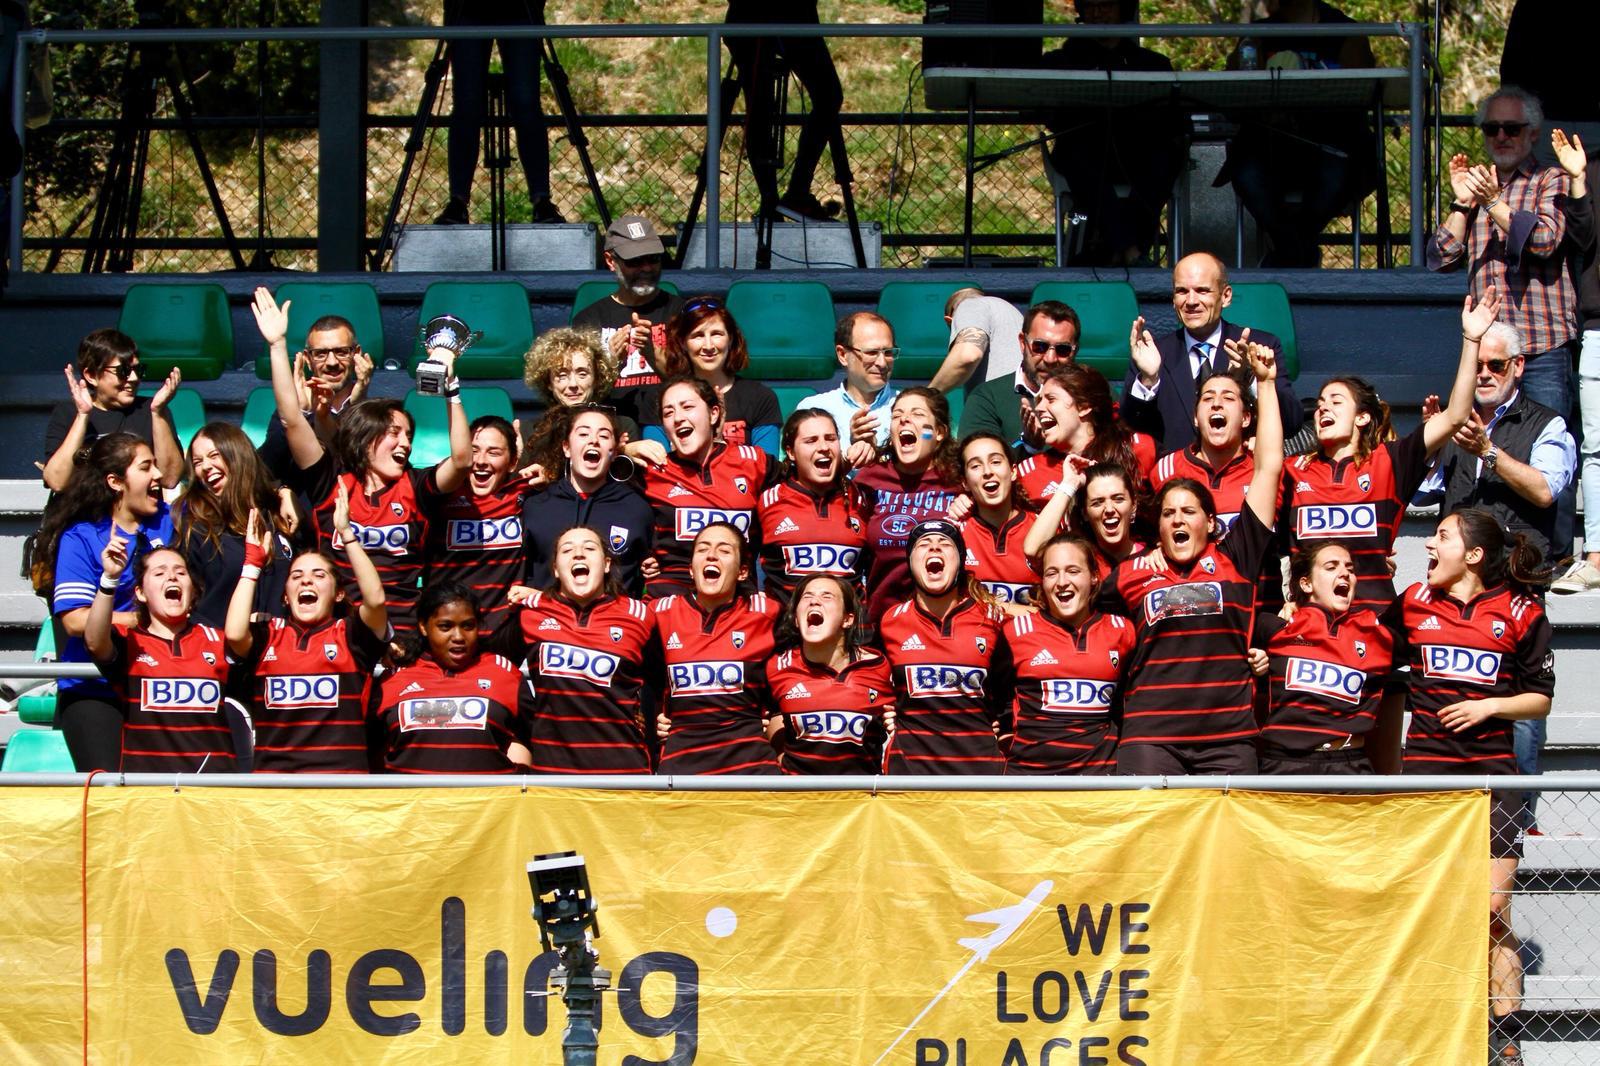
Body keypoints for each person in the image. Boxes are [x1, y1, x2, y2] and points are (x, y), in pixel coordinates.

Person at [1386, 508, 1555, 1066]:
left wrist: (1491, 706)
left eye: (1440, 537)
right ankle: (1428, 1023)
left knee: (1493, 908)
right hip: (1427, 778)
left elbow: (1540, 699)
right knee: (1423, 907)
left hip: (1494, 778)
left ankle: (1503, 1041)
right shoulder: (1412, 602)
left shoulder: (1522, 612)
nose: (1429, 547)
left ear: (1474, 555)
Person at [1104, 339, 1284, 775]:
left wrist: (1267, 383)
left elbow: (1269, 467)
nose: (1177, 520)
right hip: (1150, 737)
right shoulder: (1130, 575)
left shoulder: (1237, 557)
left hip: (1227, 738)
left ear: (1210, 521)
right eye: (1168, 514)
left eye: (1188, 512)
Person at [254, 286, 471, 633]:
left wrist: (452, 388)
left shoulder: (414, 485)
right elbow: (292, 419)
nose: (404, 443)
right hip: (340, 629)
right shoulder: (333, 483)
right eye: (392, 433)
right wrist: (277, 345)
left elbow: (461, 461)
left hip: (403, 628)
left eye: (408, 435)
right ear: (366, 439)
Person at [1287, 288, 1495, 614]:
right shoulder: (1293, 470)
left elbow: (1455, 415)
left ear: (1363, 417)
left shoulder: (1389, 461)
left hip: (1374, 623)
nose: (1323, 409)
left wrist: (1471, 340)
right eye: (1320, 404)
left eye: (1336, 402)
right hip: (1309, 627)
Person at [1429, 86, 1576, 426]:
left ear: (1533, 133)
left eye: (1512, 128)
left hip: (1541, 346)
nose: (1501, 136)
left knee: (1549, 448)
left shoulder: (1550, 179)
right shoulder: (1477, 186)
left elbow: (1544, 240)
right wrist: (1463, 202)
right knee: (1487, 450)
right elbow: (1441, 257)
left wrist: (1494, 204)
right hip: (1488, 353)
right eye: (1491, 128)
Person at [32, 433, 173, 771]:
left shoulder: (172, 522)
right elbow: (76, 621)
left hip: (161, 683)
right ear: (115, 481)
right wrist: (144, 620)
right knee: (109, 789)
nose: (157, 475)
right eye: (145, 467)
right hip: (94, 687)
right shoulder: (81, 536)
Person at [226, 490, 389, 773]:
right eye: (297, 576)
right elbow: (235, 634)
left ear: (338, 594)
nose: (306, 582)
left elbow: (375, 600)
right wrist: (252, 567)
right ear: (286, 596)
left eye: (319, 575)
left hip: (341, 784)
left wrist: (347, 536)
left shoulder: (351, 635)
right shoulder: (268, 634)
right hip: (275, 785)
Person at [1220, 0, 1377, 267]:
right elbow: (1236, 89)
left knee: (1337, 173)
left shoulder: (1346, 32)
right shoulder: (1258, 34)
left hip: (1330, 144)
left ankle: (1289, 249)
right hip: (1271, 145)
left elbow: (1361, 90)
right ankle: (1297, 249)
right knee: (1245, 170)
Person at [1416, 321, 1576, 567]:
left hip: (1514, 570)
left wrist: (1487, 451)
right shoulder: (1455, 421)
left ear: (1518, 365)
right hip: (1457, 571)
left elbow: (1544, 492)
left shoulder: (1547, 423)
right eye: (1476, 366)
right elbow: (1420, 497)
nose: (1484, 375)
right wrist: (1430, 444)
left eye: (1496, 365)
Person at [497, 525, 655, 774]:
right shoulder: (530, 612)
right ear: (556, 570)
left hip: (624, 772)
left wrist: (662, 716)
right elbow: (496, 671)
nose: (578, 554)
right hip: (552, 774)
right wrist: (523, 729)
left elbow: (664, 679)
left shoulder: (641, 615)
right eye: (567, 550)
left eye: (589, 548)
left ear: (606, 564)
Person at [1038, 0, 1183, 267]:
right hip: (1084, 154)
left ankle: (1118, 248)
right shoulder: (1059, 62)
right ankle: (1131, 250)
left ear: (1122, 11)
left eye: (1106, 5)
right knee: (1077, 153)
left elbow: (1172, 119)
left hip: (1136, 155)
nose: (1098, 12)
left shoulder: (1152, 64)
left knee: (1167, 157)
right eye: (1090, 6)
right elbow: (1048, 113)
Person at [1121, 252, 1303, 454]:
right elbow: (1128, 430)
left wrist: (1252, 378)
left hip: (1240, 479)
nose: (1191, 301)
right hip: (1173, 480)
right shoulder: (1153, 353)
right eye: (1182, 291)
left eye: (1202, 291)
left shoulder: (1260, 346)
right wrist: (1148, 380)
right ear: (1173, 299)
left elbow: (1291, 422)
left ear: (1225, 296)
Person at [84, 541, 234, 772]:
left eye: (180, 572)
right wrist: (109, 579)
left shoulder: (218, 641)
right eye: (160, 572)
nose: (172, 577)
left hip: (213, 786)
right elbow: (94, 641)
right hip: (147, 787)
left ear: (192, 589)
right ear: (141, 593)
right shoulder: (129, 642)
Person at [1248, 542, 1396, 774]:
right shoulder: (1275, 627)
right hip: (1283, 767)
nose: (1345, 573)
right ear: (1306, 583)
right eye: (1331, 567)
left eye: (1350, 568)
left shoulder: (1377, 633)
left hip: (1349, 767)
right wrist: (1255, 659)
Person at [1149, 367, 1287, 607]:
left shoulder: (1264, 472)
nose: (1216, 404)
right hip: (1195, 610)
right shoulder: (1165, 470)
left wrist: (1265, 382)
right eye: (1208, 397)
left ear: (1246, 418)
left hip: (1260, 609)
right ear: (1195, 417)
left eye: (1228, 398)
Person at [878, 519, 1007, 774]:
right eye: (924, 544)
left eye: (944, 544)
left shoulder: (993, 619)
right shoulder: (890, 621)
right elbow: (872, 687)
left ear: (960, 561)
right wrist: (885, 716)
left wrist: (1004, 727)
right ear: (910, 563)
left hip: (981, 774)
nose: (934, 548)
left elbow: (1012, 691)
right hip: (910, 775)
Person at [1000, 534, 1135, 775]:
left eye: (1073, 571)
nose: (1062, 582)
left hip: (1098, 784)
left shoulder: (1123, 631)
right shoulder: (1015, 633)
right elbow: (992, 697)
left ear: (1094, 577)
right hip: (1030, 784)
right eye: (1052, 573)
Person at [653, 523, 781, 774]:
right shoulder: (660, 613)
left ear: (743, 571)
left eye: (724, 550)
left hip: (751, 770)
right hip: (681, 770)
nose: (711, 555)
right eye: (702, 549)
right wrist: (655, 717)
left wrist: (780, 738)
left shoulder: (768, 613)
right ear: (691, 569)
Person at [372, 582, 531, 774]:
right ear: (423, 627)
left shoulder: (505, 673)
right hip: (411, 803)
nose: (458, 636)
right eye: (445, 626)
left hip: (489, 802)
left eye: (468, 626)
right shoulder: (394, 677)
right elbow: (372, 749)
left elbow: (533, 739)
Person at [641, 377, 772, 599]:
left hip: (738, 601)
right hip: (669, 599)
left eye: (688, 407)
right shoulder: (652, 470)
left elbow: (808, 482)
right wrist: (624, 449)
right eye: (668, 412)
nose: (678, 418)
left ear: (714, 414)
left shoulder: (753, 462)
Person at [433, 0, 561, 226]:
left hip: (518, 9)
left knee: (525, 103)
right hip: (470, 9)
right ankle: (458, 201)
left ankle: (541, 200)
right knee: (467, 105)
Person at [723, 0, 844, 222]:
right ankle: (780, 198)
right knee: (762, 107)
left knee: (825, 96)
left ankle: (786, 197)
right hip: (769, 19)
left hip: (787, 18)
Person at [765, 574, 894, 774]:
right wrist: (781, 753)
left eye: (827, 597)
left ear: (847, 619)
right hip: (799, 799)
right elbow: (768, 716)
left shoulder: (880, 667)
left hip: (862, 800)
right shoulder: (777, 667)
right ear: (797, 620)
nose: (814, 601)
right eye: (807, 597)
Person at [853, 388, 963, 620]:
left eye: (917, 414)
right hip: (880, 621)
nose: (904, 419)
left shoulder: (959, 482)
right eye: (896, 416)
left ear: (939, 432)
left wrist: (971, 502)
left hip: (944, 622)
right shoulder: (870, 479)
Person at [522, 405, 653, 597]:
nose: (593, 441)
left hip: (612, 624)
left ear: (615, 452)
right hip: (549, 622)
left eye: (604, 435)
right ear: (566, 448)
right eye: (583, 434)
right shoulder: (536, 506)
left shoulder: (637, 510)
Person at [174, 422, 297, 627]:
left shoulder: (277, 513)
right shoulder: (196, 528)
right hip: (221, 648)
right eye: (197, 462)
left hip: (281, 647)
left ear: (238, 455)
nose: (205, 467)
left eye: (214, 455)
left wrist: (284, 491)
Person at [424, 414, 532, 635]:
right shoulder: (437, 495)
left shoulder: (525, 493)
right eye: (474, 450)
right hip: (447, 631)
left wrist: (547, 475)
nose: (481, 460)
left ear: (512, 462)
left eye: (494, 452)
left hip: (503, 634)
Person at [40, 328, 183, 495]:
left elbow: (170, 479)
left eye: (138, 370)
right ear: (92, 375)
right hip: (86, 518)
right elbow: (57, 481)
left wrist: (158, 413)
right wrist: (83, 416)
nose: (134, 378)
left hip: (140, 518)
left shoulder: (152, 410)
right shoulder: (68, 413)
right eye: (123, 371)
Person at [571, 215, 685, 423]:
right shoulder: (589, 320)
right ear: (610, 261)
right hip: (610, 432)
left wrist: (655, 358)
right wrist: (610, 365)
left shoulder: (682, 312)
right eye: (634, 261)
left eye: (653, 259)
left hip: (672, 427)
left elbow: (697, 387)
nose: (646, 268)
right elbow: (578, 396)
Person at [757, 407, 874, 608]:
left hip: (850, 631)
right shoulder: (767, 499)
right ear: (791, 452)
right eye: (811, 441)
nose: (823, 447)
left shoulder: (862, 498)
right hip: (785, 631)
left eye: (830, 438)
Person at [642, 298, 781, 454]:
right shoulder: (659, 399)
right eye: (698, 336)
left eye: (716, 334)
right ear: (683, 343)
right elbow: (657, 469)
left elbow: (767, 468)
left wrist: (719, 448)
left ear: (731, 339)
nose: (708, 346)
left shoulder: (760, 398)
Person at [1554, 127, 1600, 592]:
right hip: (1598, 326)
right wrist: (1579, 180)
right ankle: (1597, 559)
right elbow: (1580, 241)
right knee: (1596, 451)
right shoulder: (1586, 167)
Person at [1015, 363, 1156, 508]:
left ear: (1083, 407)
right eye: (1039, 400)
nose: (1038, 408)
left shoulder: (1136, 447)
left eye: (1051, 399)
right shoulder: (1030, 472)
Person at [257, 313, 375, 483]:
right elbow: (267, 470)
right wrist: (300, 413)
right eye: (321, 354)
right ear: (307, 359)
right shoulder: (294, 410)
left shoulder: (375, 411)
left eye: (341, 352)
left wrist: (357, 406)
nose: (332, 362)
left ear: (356, 353)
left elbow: (362, 470)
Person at [519, 326, 645, 478]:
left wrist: (619, 454)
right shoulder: (530, 432)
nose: (573, 384)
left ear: (597, 378)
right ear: (549, 382)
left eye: (582, 373)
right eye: (562, 375)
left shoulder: (623, 426)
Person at [959, 300, 1080, 454]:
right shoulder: (987, 398)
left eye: (1062, 349)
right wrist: (1028, 447)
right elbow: (977, 465)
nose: (1050, 358)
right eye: (1040, 346)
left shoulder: (1094, 395)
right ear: (1023, 343)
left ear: (1075, 351)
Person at [1024, 461, 1149, 585]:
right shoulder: (1077, 558)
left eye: (1118, 499)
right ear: (1085, 513)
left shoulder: (1154, 559)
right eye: (1097, 502)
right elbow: (1033, 550)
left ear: (1133, 505)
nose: (1109, 509)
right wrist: (1069, 485)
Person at [954, 433, 1042, 606]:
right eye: (975, 466)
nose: (987, 472)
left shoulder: (1043, 527)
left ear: (1013, 471)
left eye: (995, 461)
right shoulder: (955, 534)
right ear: (964, 482)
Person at [796, 310, 899, 450]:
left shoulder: (908, 409)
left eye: (888, 352)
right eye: (871, 353)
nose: (882, 363)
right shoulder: (813, 409)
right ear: (843, 355)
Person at [928, 287, 1025, 392]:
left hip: (1002, 398)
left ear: (949, 320)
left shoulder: (969, 305)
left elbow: (967, 356)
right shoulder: (1011, 312)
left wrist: (928, 396)